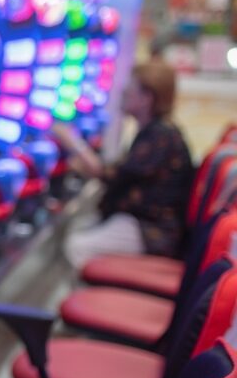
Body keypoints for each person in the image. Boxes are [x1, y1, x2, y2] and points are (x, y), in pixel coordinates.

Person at [56, 61, 194, 269]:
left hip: (152, 230)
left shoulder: (160, 136)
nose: (122, 92)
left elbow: (111, 174)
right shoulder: (154, 131)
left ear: (147, 98)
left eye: (130, 87)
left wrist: (70, 140)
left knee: (77, 246)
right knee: (78, 225)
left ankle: (96, 299)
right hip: (140, 220)